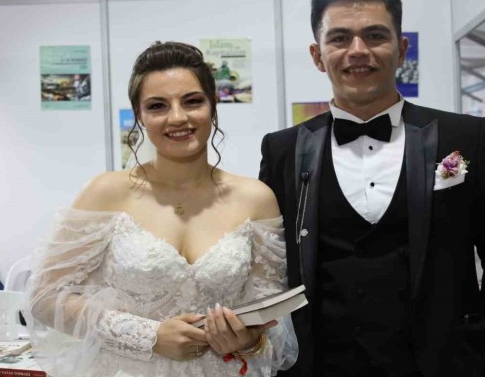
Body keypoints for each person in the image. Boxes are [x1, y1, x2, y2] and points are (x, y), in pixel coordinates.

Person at [259, 0, 485, 377]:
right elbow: (270, 271)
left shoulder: (465, 138)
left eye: (374, 36)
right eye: (340, 39)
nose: (358, 51)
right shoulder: (282, 150)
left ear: (401, 50)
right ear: (317, 56)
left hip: (444, 364)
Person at [23, 42, 298, 377]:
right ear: (139, 115)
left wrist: (248, 341)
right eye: (157, 106)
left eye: (192, 101)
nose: (178, 117)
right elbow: (45, 297)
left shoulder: (255, 198)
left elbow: (273, 314)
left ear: (213, 106)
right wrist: (147, 336)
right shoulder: (106, 193)